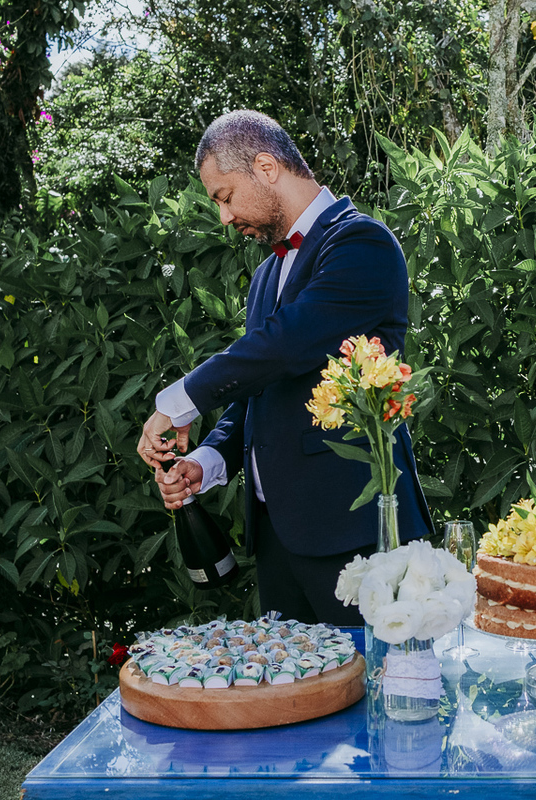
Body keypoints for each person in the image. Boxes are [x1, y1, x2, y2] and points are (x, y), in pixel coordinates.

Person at [136, 110, 433, 625]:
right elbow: (259, 391)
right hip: (278, 540)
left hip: (357, 533)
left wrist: (176, 401)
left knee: (375, 692)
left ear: (266, 167)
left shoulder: (362, 244)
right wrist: (205, 461)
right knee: (295, 701)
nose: (224, 218)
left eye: (225, 197)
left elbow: (283, 347)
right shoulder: (267, 272)